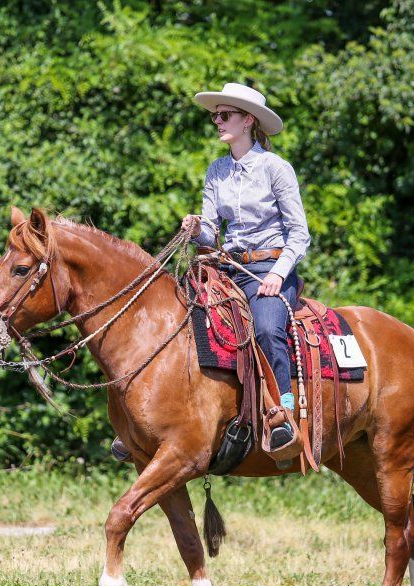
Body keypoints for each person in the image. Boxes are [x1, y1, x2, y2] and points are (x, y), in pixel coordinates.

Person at [110, 82, 310, 462]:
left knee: (267, 327)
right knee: (171, 316)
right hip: (225, 268)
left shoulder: (276, 169)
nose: (217, 122)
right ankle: (148, 418)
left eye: (225, 115)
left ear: (248, 120)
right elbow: (211, 230)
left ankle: (280, 413)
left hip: (269, 267)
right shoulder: (217, 170)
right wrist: (195, 226)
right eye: (216, 116)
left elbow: (300, 233)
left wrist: (278, 274)